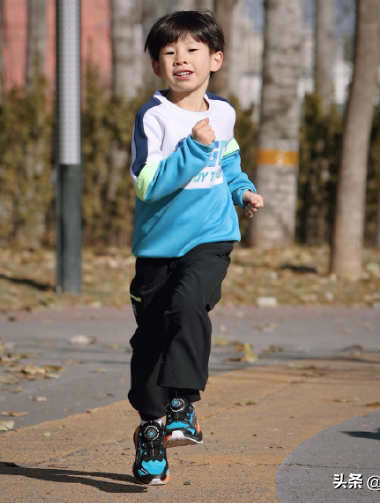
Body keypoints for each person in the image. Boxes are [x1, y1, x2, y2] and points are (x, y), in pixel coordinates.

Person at [128, 10, 264, 486]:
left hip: (212, 237)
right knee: (149, 340)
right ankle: (150, 430)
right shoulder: (154, 117)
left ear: (215, 59)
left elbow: (228, 162)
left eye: (191, 50)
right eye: (169, 52)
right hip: (158, 246)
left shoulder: (222, 112)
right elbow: (148, 185)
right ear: (155, 66)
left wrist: (241, 190)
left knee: (188, 305)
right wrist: (192, 148)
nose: (180, 59)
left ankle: (183, 402)